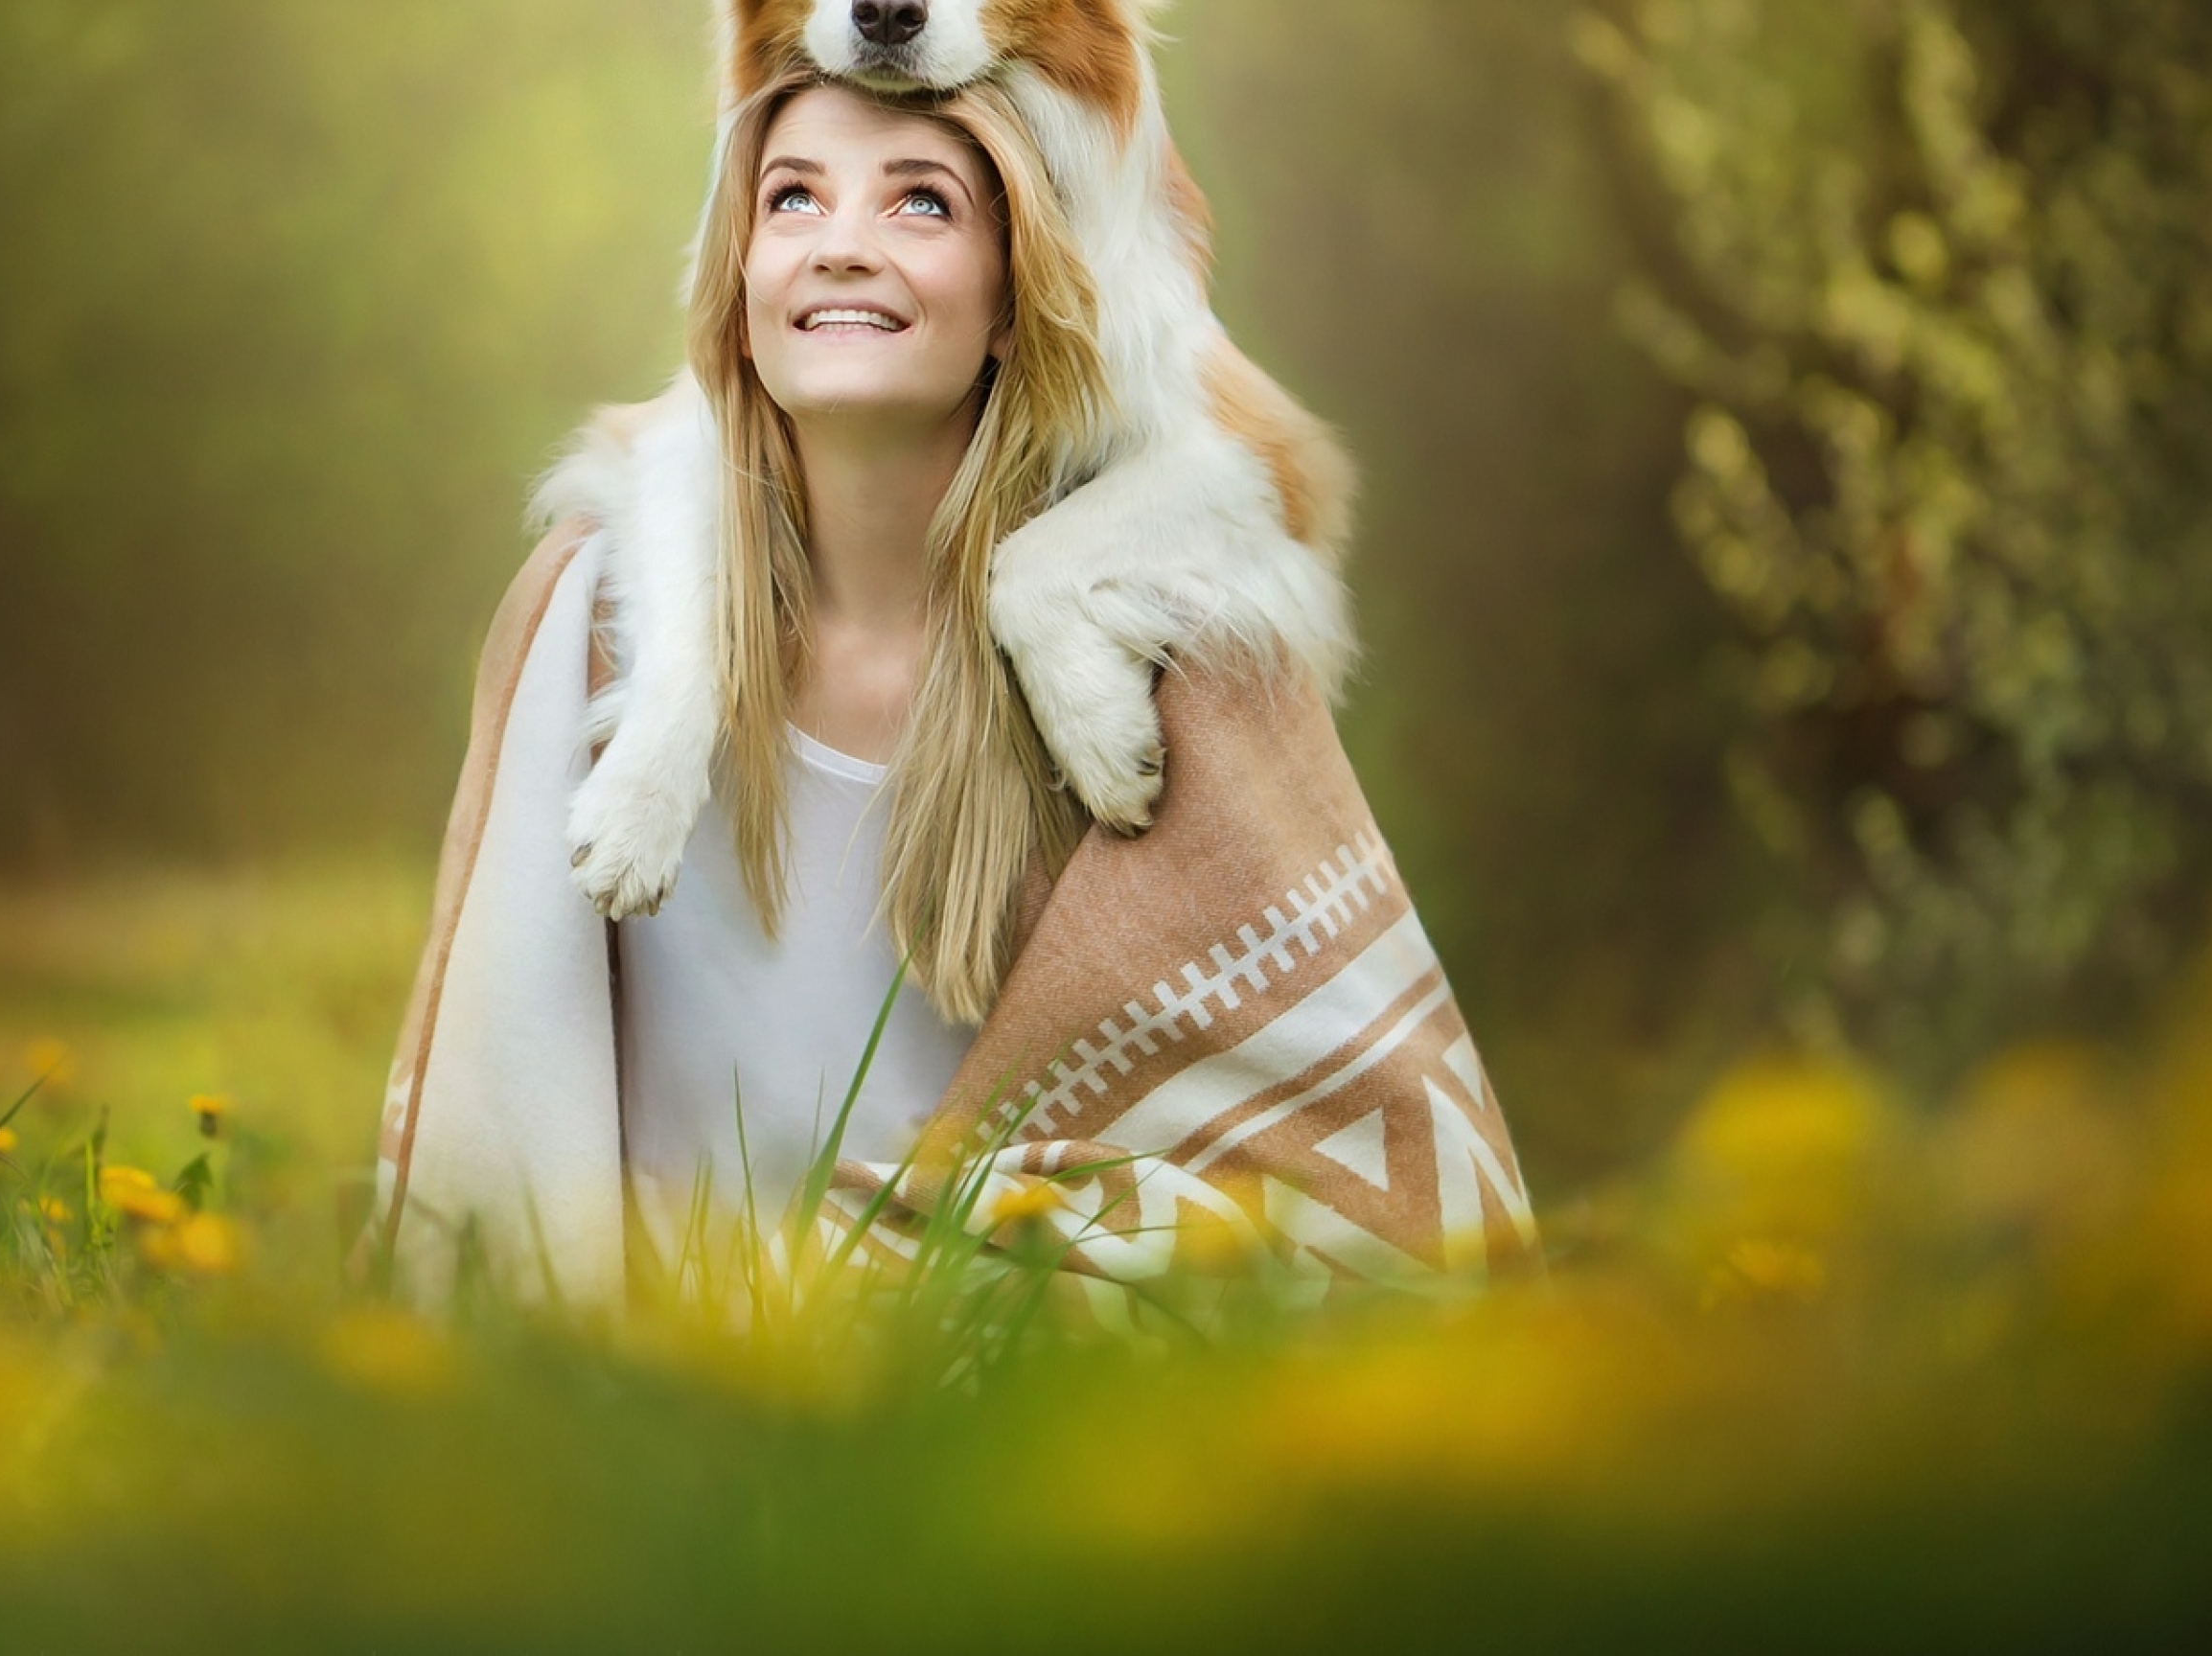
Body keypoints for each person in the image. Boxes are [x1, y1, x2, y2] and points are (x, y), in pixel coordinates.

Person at [363, 72, 1534, 1308]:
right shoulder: (594, 629)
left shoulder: (1161, 668)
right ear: (741, 287)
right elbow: (507, 1106)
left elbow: (1347, 1162)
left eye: (920, 205)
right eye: (794, 199)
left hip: (992, 1406)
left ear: (1014, 306)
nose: (844, 249)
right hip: (666, 1398)